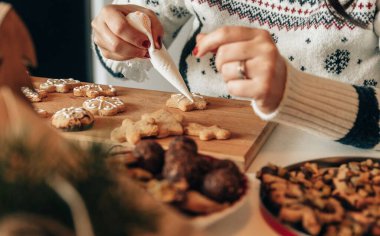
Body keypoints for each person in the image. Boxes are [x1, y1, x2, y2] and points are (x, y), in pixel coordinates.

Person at [92, 0, 380, 150]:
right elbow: (130, 42)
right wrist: (117, 35)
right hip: (205, 151)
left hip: (341, 160)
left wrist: (294, 93)